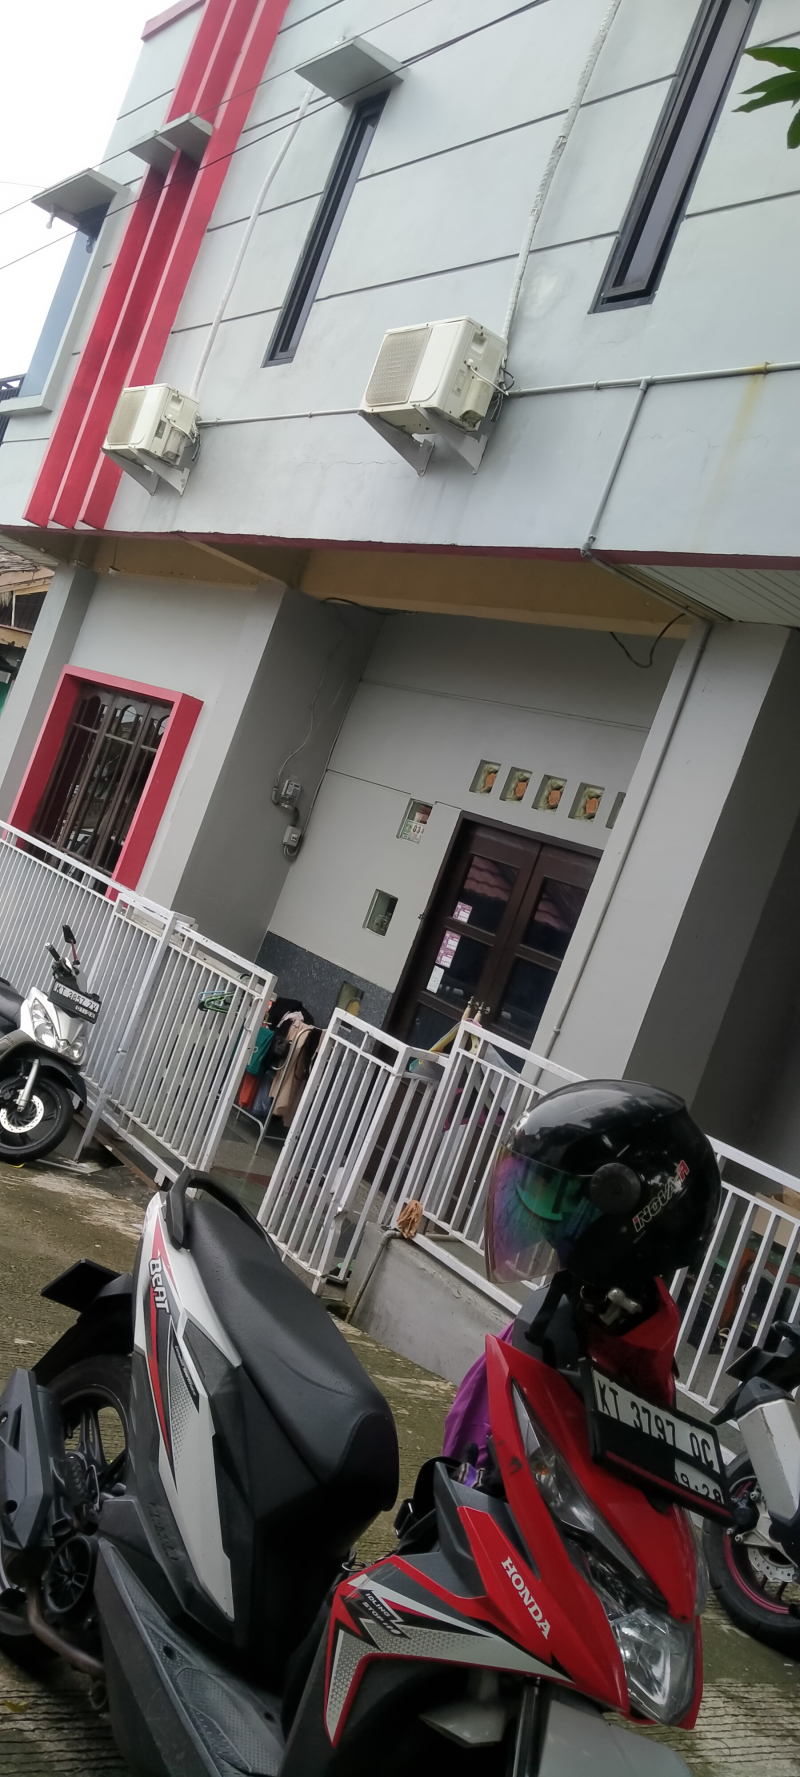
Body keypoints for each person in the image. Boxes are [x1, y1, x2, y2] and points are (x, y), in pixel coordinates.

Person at [443, 1078, 721, 1468]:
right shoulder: (578, 1321)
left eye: (558, 1196)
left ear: (626, 1205)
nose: (540, 1219)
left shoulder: (634, 1337)